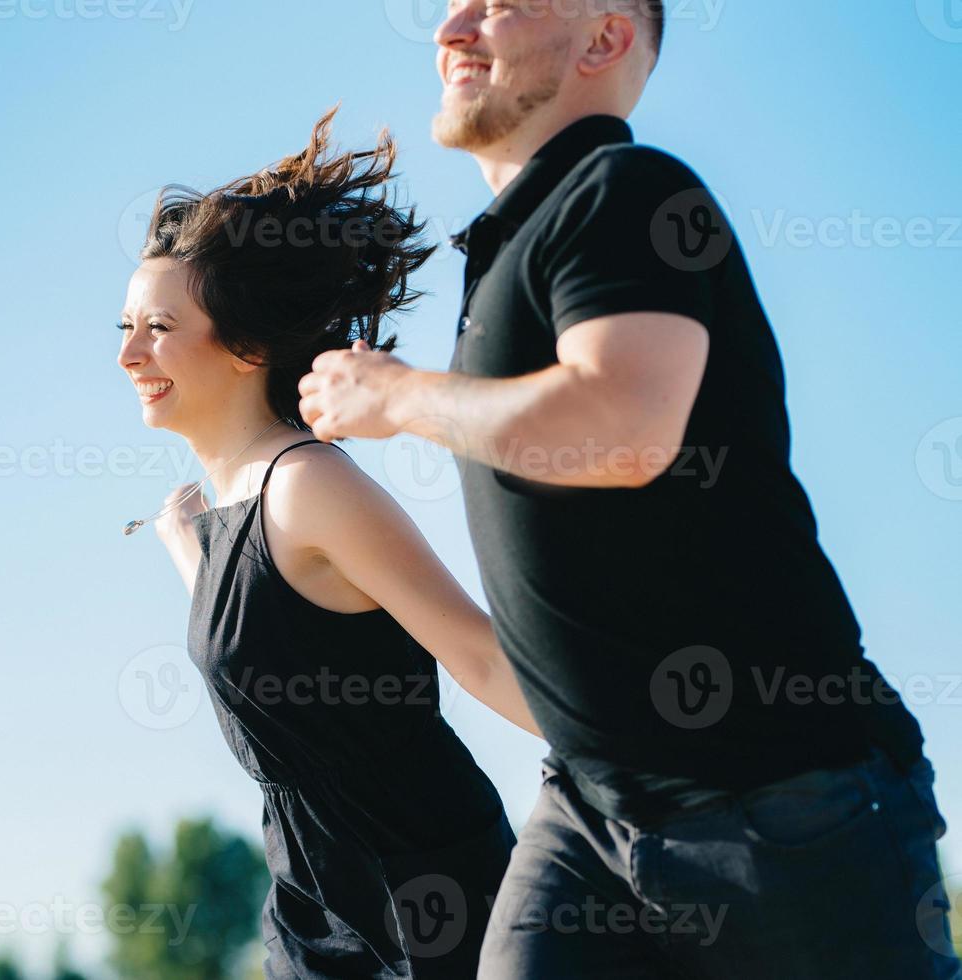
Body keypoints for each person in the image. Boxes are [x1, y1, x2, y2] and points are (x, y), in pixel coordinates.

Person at [297, 2, 957, 977]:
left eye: (496, 4)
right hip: (589, 810)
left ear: (604, 39)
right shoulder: (511, 245)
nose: (449, 26)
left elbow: (622, 430)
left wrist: (393, 394)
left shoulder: (625, 191)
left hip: (784, 802)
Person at [117, 108, 538, 978]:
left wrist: (659, 767)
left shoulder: (310, 486)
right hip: (312, 905)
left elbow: (479, 657)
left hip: (428, 898)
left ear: (247, 345)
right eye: (123, 326)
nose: (128, 353)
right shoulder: (231, 509)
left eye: (157, 327)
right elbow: (272, 636)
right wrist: (191, 553)